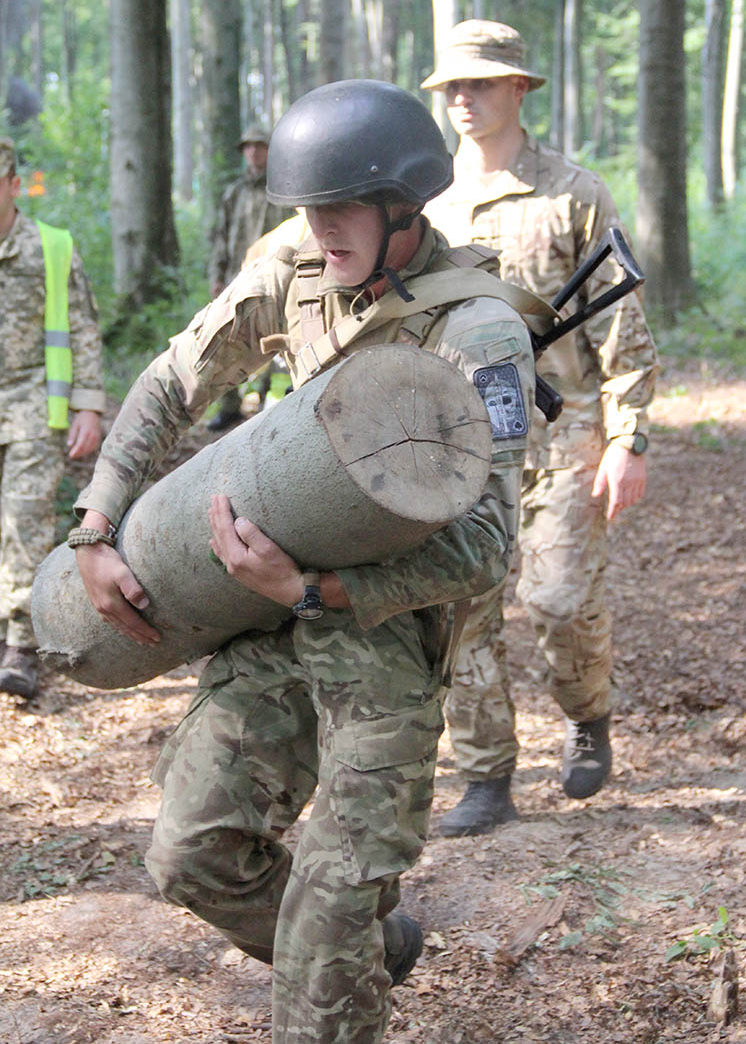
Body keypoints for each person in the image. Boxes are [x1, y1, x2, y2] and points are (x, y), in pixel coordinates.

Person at [70, 80, 539, 1043]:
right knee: (191, 855)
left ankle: (342, 949)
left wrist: (318, 586)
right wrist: (96, 521)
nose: (320, 228)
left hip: (386, 638)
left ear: (404, 207)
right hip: (270, 623)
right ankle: (379, 942)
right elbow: (171, 379)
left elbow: (490, 544)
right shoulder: (299, 266)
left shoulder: (478, 331)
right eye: (308, 208)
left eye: (341, 207)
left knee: (325, 916)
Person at [421, 20, 659, 835]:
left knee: (557, 600)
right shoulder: (425, 205)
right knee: (463, 611)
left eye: (480, 83)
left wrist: (629, 437)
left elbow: (621, 323)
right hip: (460, 442)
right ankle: (486, 775)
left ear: (518, 89)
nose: (463, 98)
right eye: (452, 85)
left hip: (564, 432)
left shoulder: (572, 192)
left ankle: (587, 711)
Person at [0, 136, 104, 700]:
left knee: (25, 521)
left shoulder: (51, 247)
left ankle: (19, 643)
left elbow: (82, 328)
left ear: (14, 185)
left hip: (33, 406)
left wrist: (88, 403)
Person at [206, 123, 291, 431]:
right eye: (249, 147)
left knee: (276, 337)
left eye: (261, 146)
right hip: (236, 277)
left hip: (274, 275)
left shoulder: (282, 189)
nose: (254, 152)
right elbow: (220, 237)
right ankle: (228, 406)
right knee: (227, 339)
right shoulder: (234, 193)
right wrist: (217, 275)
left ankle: (271, 399)